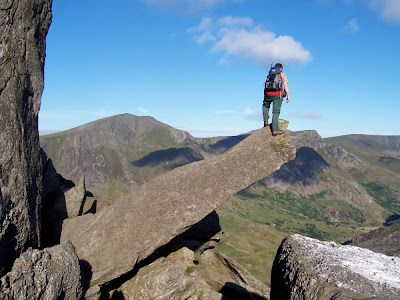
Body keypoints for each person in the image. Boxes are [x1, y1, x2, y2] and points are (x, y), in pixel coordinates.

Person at [262, 63, 291, 136]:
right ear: (281, 68)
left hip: (267, 94)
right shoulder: (282, 74)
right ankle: (275, 130)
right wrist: (288, 96)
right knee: (276, 112)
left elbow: (264, 85)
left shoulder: (270, 74)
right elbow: (286, 85)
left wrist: (266, 95)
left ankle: (266, 122)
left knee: (265, 106)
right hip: (277, 95)